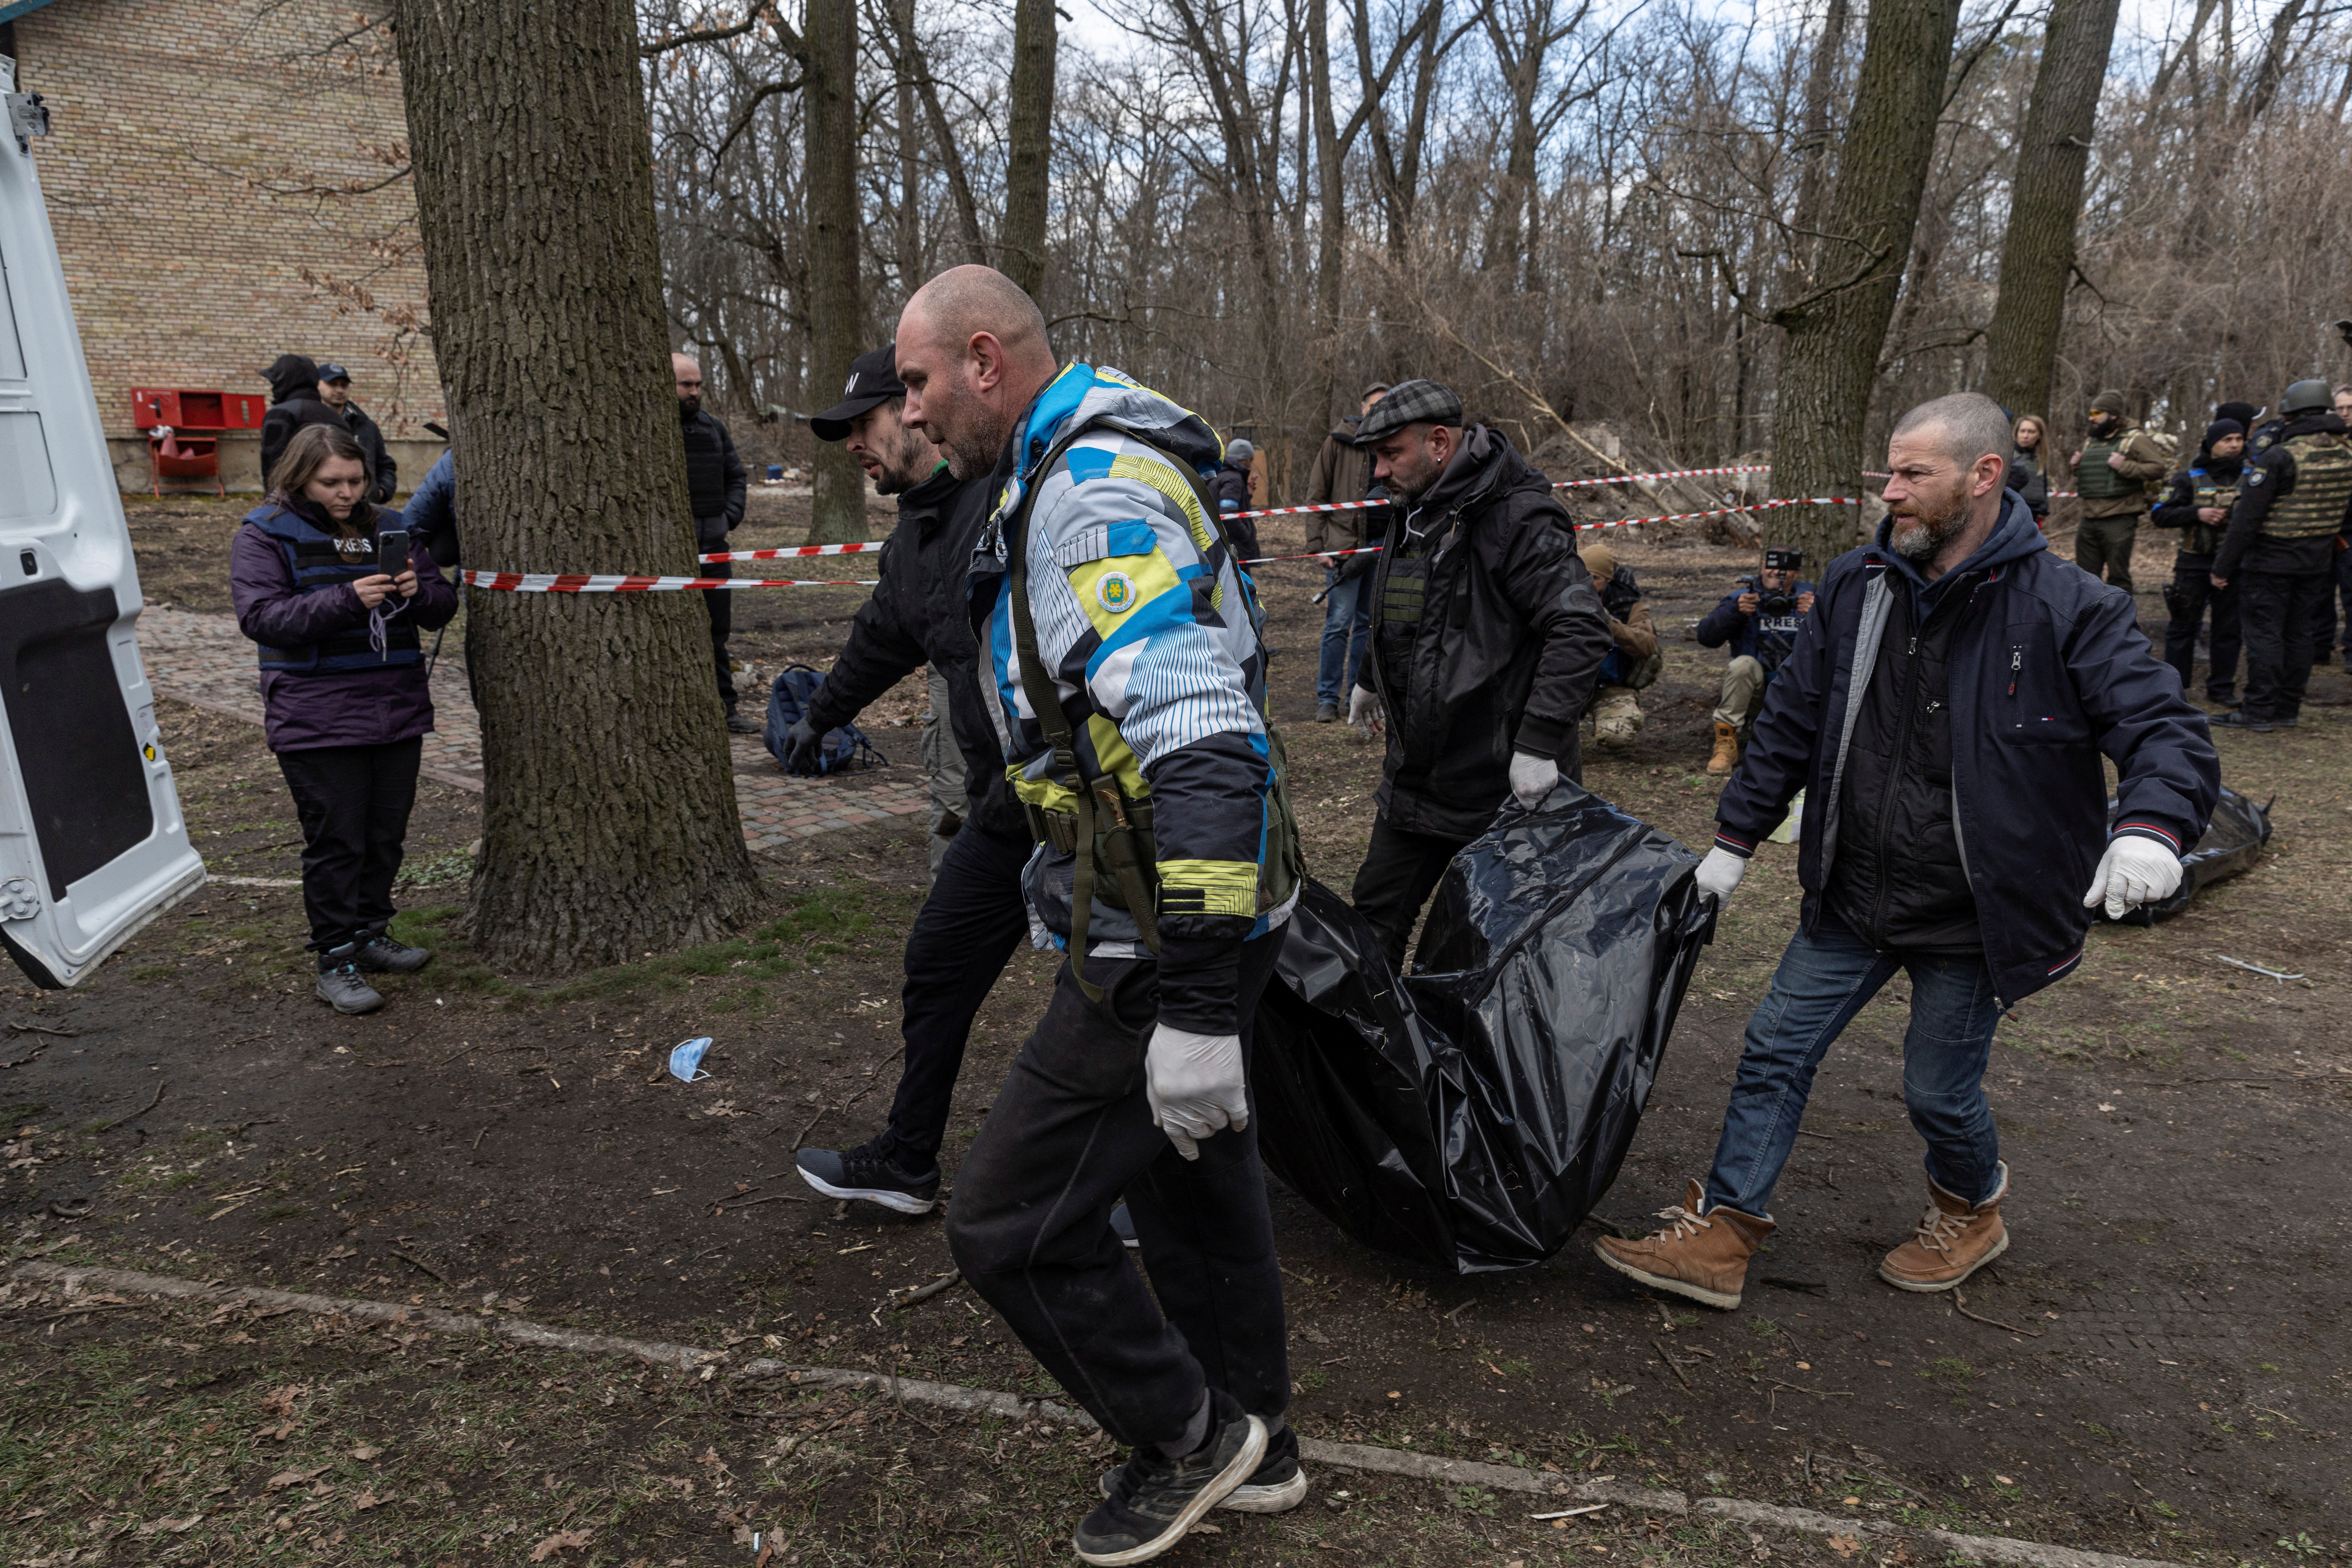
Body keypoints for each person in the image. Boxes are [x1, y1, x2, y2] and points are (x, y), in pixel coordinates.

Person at [1593, 392, 2218, 1312]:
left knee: (1936, 1089)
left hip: (1975, 911)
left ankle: (1971, 1209)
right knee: (1772, 1049)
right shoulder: (1857, 584)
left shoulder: (2070, 608)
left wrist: (2152, 826)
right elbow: (1793, 720)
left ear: (1984, 476)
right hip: (1855, 888)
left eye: (1912, 474)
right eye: (1889, 471)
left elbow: (2165, 728)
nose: (1890, 491)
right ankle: (1725, 1232)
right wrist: (1732, 845)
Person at [897, 264, 1304, 1564]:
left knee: (1006, 1224)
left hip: (1162, 930)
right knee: (1189, 1175)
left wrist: (1186, 1006)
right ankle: (1259, 1435)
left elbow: (1204, 745)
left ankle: (1188, 1437)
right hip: (1188, 907)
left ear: (983, 361)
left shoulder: (1090, 496)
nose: (908, 417)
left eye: (916, 384)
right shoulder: (1072, 459)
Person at [780, 342, 1033, 1222]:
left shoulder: (1008, 503)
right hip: (1009, 808)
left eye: (867, 420)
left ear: (919, 412)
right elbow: (884, 633)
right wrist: (822, 713)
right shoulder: (916, 532)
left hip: (1085, 797)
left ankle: (1125, 1182)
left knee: (1113, 996)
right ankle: (907, 1159)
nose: (853, 442)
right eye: (843, 431)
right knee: (938, 959)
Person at [1343, 379, 1612, 973]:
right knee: (1369, 930)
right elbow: (1399, 609)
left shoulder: (1519, 518)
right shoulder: (1410, 510)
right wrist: (1368, 674)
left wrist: (1539, 742)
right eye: (1375, 459)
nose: (1380, 472)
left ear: (1440, 442)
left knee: (1473, 956)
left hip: (1502, 791)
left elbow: (1580, 628)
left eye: (1391, 455)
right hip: (1415, 782)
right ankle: (1375, 1061)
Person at [229, 423, 458, 1016]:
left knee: (385, 836)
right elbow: (262, 617)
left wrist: (416, 591)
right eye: (332, 482)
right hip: (316, 714)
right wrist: (347, 599)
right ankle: (335, 958)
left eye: (355, 480)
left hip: (394, 708)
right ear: (300, 477)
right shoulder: (264, 534)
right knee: (337, 841)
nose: (347, 493)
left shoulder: (391, 527)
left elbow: (441, 607)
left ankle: (371, 934)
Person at [2211, 379, 2352, 733]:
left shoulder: (2280, 456)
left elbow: (2246, 520)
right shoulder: (2346, 454)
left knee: (2265, 635)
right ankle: (2288, 708)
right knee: (2300, 633)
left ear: (2289, 415)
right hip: (2317, 561)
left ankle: (2259, 711)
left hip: (2271, 562)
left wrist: (2222, 566)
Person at [674, 353, 754, 733]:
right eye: (686, 385)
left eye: (698, 385)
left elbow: (736, 476)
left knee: (717, 634)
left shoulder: (714, 429)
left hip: (715, 551)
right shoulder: (653, 430)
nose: (694, 392)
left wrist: (729, 516)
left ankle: (727, 711)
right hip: (671, 557)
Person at [1305, 384, 1390, 722]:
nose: (1381, 411)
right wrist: (1317, 547)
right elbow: (1316, 495)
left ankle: (1356, 692)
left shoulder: (1395, 442)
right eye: (1375, 406)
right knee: (1338, 624)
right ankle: (1327, 698)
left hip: (1384, 548)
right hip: (1343, 549)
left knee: (1368, 625)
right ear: (1363, 408)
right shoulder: (1339, 441)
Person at [1693, 547, 1815, 776]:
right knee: (1743, 665)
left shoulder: (1811, 599)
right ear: (1762, 567)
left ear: (1796, 573)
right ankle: (1726, 743)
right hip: (1755, 694)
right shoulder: (1744, 598)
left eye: (1786, 567)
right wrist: (1735, 612)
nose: (1777, 572)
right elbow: (1706, 637)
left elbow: (1843, 644)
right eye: (1772, 565)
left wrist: (1818, 616)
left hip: (1796, 695)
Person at [2151, 418, 2246, 706]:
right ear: (2211, 443)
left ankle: (2221, 688)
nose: (2234, 445)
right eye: (2227, 440)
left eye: (2238, 440)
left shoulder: (2252, 476)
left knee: (2228, 629)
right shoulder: (2188, 478)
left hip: (2235, 567)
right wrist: (2197, 513)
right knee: (2183, 627)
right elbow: (2160, 514)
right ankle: (2174, 688)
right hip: (2192, 565)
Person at [2066, 388, 2168, 593]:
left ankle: (2120, 624)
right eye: (2091, 413)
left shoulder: (2135, 439)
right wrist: (2077, 468)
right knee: (2085, 579)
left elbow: (2158, 468)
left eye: (2097, 414)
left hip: (2119, 518)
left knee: (2118, 579)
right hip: (2089, 517)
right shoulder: (2092, 441)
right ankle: (2087, 623)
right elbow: (2092, 477)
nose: (2091, 418)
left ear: (2113, 415)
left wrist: (2125, 466)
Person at [1580, 538, 1660, 749]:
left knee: (1616, 735)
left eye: (1595, 578)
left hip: (1611, 688)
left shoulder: (1629, 606)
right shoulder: (1563, 598)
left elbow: (1648, 647)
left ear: (1608, 579)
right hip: (1569, 685)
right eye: (1583, 576)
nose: (1587, 583)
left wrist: (1610, 625)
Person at [2310, 383, 2352, 668]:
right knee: (2318, 594)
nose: (2346, 414)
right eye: (2340, 408)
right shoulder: (2317, 442)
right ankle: (2318, 649)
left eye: (2351, 408)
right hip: (2320, 530)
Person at [316, 362, 396, 503]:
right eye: (333, 384)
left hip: (364, 510)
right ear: (317, 385)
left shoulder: (366, 426)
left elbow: (385, 464)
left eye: (344, 385)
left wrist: (381, 492)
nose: (340, 390)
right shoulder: (310, 423)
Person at [258, 353, 343, 485]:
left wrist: (273, 500)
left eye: (273, 382)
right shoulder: (335, 417)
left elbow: (272, 464)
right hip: (332, 495)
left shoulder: (281, 413)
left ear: (282, 381)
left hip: (292, 498)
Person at [1212, 438, 1261, 566]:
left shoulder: (1221, 474)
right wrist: (1246, 536)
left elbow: (1223, 505)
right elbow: (1228, 514)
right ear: (1243, 460)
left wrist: (1247, 495)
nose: (1252, 464)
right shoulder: (1233, 479)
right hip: (1235, 549)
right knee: (1244, 585)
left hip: (1224, 546)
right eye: (1251, 460)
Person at [2005, 412, 2050, 528]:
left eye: (2031, 432)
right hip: (2012, 511)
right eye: (2023, 431)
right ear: (2016, 433)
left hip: (2034, 513)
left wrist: (2043, 508)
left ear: (2040, 435)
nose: (2026, 436)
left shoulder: (2040, 459)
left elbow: (2043, 486)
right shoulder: (2008, 457)